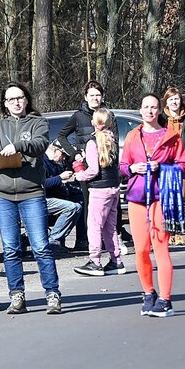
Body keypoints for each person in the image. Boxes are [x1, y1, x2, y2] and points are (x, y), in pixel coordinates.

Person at [0, 82, 62, 315]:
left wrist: (17, 147)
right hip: (3, 195)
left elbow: (39, 145)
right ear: (5, 104)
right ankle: (17, 295)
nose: (16, 102)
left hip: (31, 193)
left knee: (40, 246)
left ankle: (52, 294)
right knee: (10, 248)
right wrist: (3, 158)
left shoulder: (38, 122)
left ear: (26, 100)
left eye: (19, 98)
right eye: (11, 99)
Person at [120, 93, 185, 317]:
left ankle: (165, 300)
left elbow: (183, 166)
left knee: (160, 248)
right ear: (140, 110)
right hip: (137, 198)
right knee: (140, 250)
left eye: (153, 107)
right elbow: (123, 165)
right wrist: (132, 169)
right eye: (146, 107)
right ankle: (148, 293)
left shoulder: (171, 136)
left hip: (162, 198)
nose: (150, 111)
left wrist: (163, 167)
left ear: (159, 111)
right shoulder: (132, 136)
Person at [56, 80, 121, 251]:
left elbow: (115, 141)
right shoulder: (78, 116)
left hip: (107, 170)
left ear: (102, 97)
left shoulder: (109, 115)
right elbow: (62, 136)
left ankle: (111, 242)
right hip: (88, 169)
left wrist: (116, 167)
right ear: (85, 97)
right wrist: (74, 153)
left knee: (111, 209)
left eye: (98, 95)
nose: (95, 98)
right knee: (88, 205)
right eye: (91, 95)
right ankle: (87, 243)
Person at [72, 108, 125, 276]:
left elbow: (93, 170)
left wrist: (80, 175)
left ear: (93, 122)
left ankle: (95, 261)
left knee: (94, 226)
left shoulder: (92, 142)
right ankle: (116, 260)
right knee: (110, 226)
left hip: (99, 189)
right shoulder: (112, 139)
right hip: (113, 187)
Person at [161, 87, 185, 246]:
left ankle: (178, 233)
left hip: (184, 164)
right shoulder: (162, 119)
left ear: (180, 101)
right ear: (166, 102)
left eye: (176, 99)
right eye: (171, 99)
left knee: (181, 201)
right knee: (168, 200)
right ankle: (168, 233)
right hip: (166, 164)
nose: (174, 102)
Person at [42, 140, 83, 253]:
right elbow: (42, 184)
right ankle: (54, 240)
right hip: (41, 200)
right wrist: (60, 178)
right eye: (63, 154)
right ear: (56, 150)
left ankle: (81, 240)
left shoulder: (57, 163)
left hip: (54, 197)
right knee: (73, 207)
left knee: (80, 200)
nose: (64, 158)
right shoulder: (41, 161)